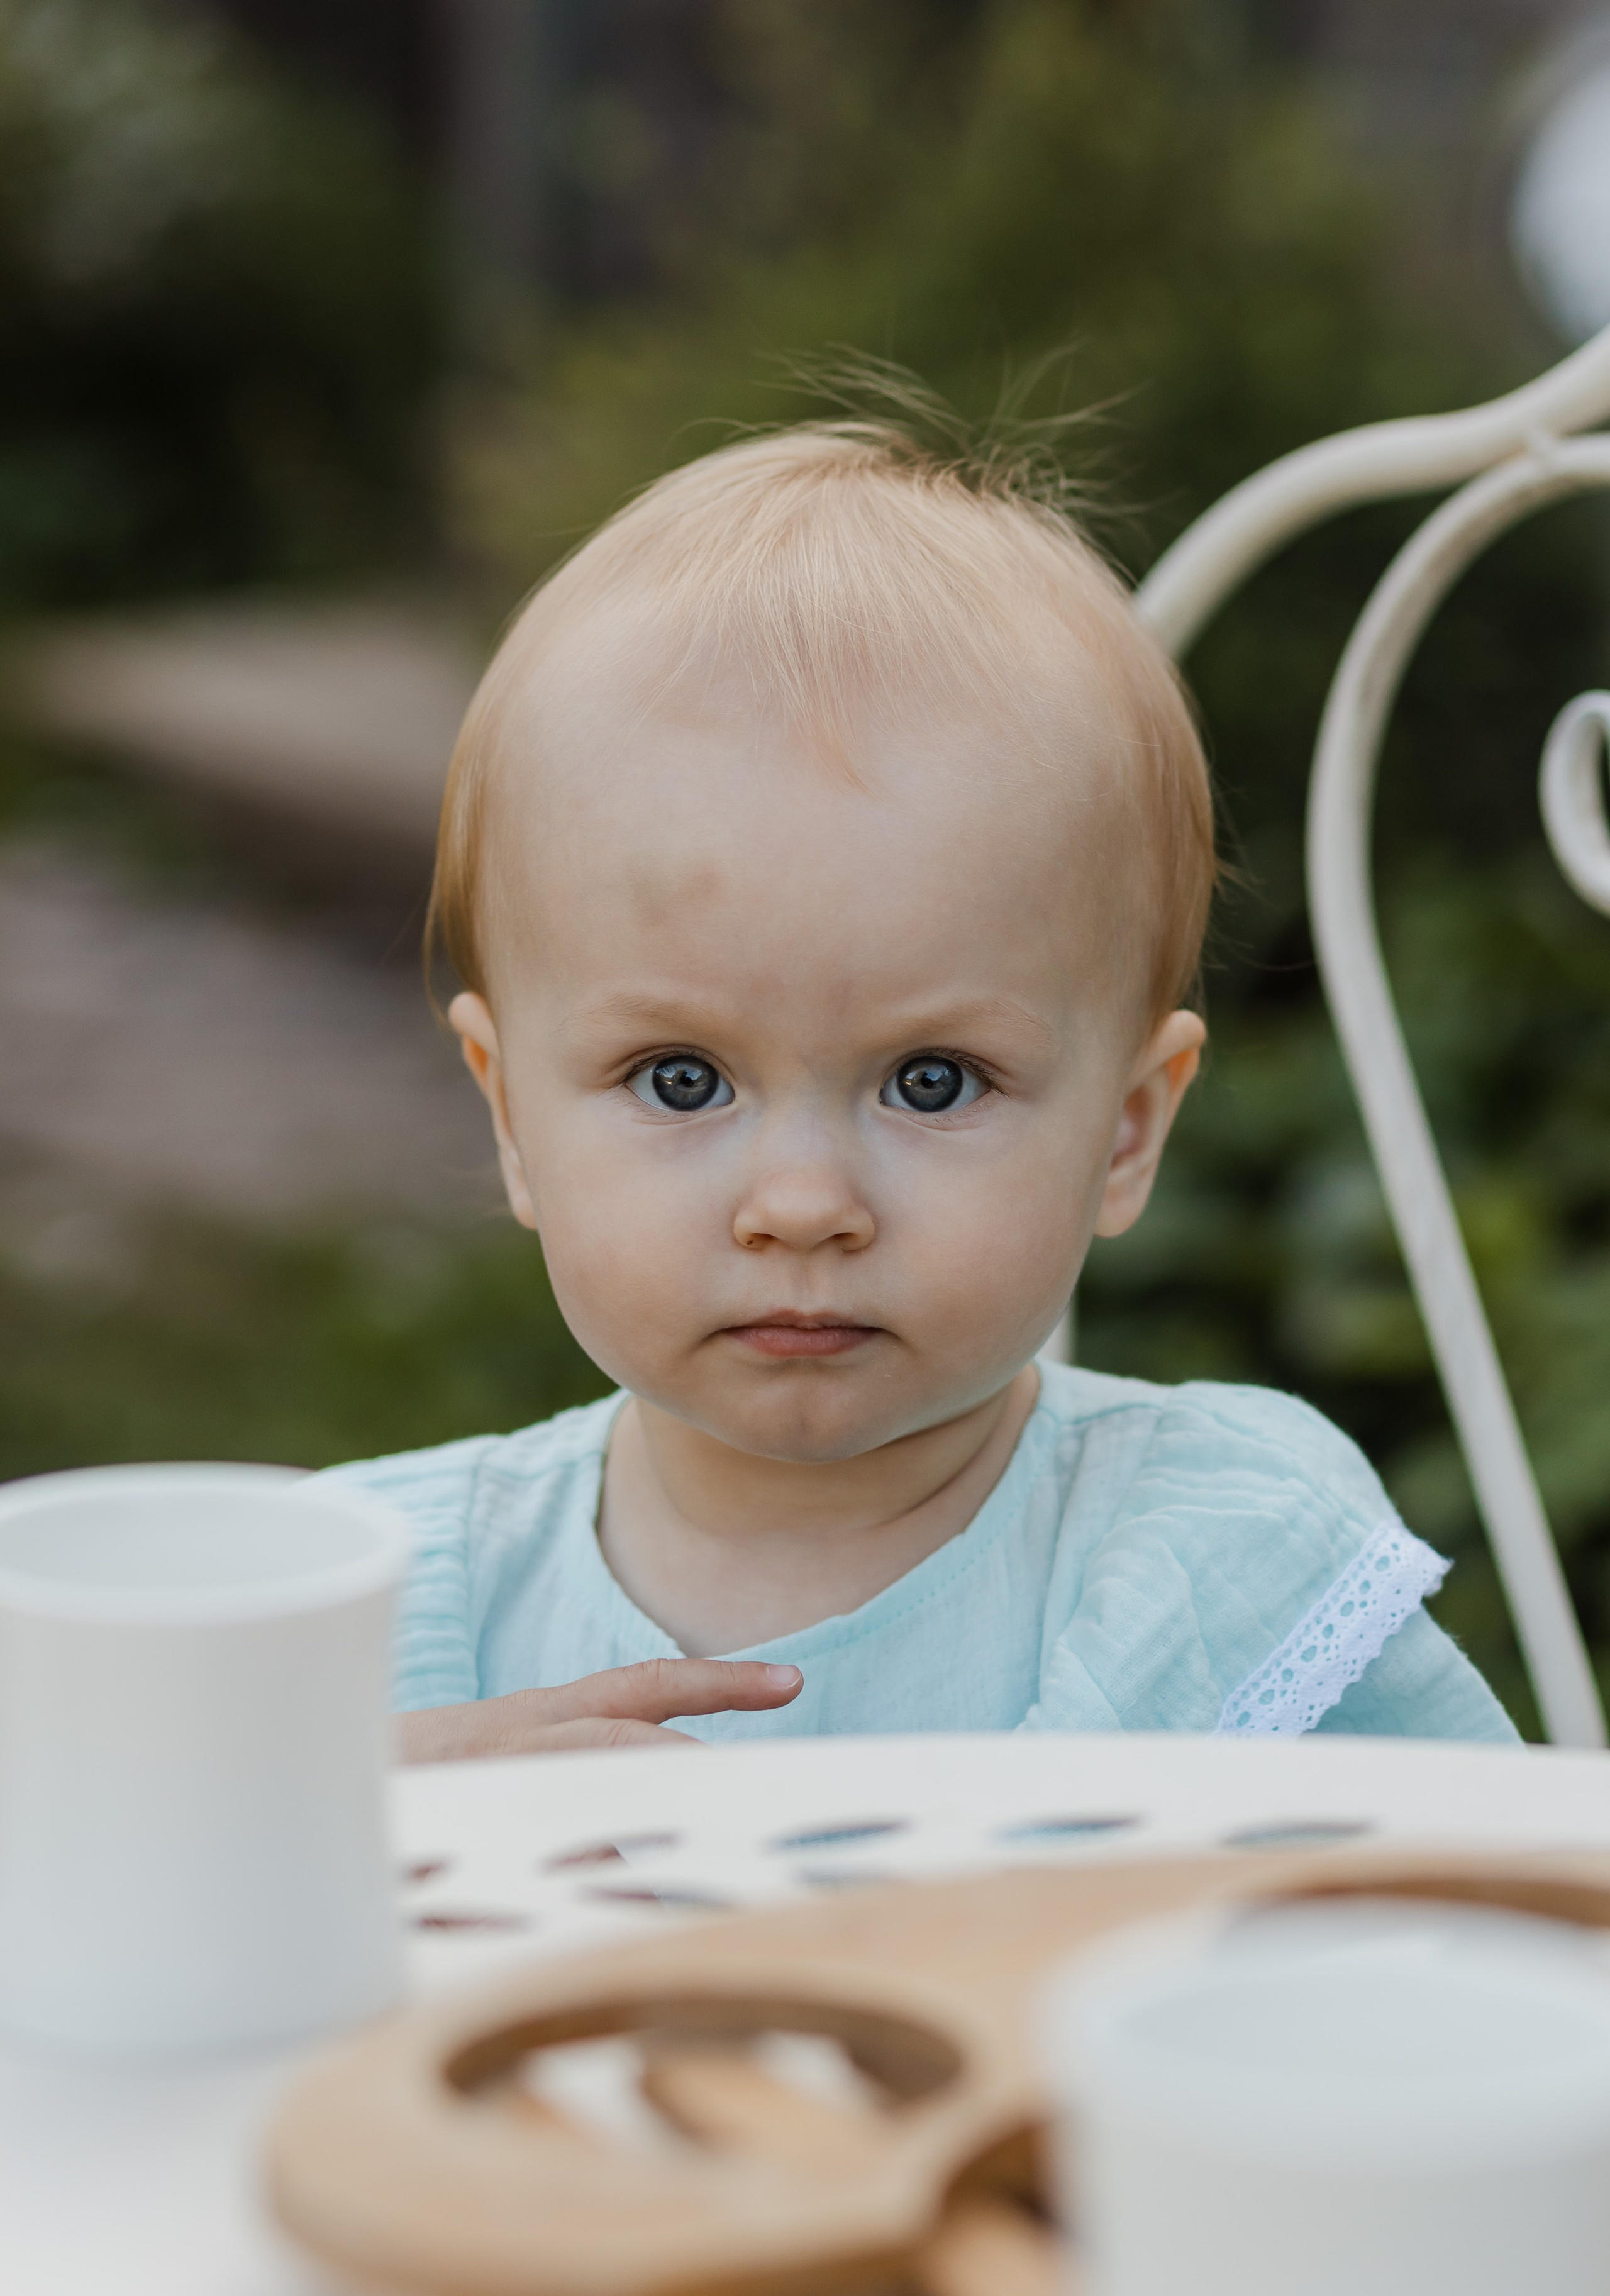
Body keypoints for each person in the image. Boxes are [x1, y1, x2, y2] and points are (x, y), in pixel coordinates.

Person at [321, 412, 1518, 1760]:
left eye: (933, 1081)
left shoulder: (1206, 1570)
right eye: (678, 1077)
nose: (801, 1203)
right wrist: (368, 1806)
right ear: (510, 1117)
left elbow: (1498, 1911)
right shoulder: (366, 1600)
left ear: (1127, 1130)